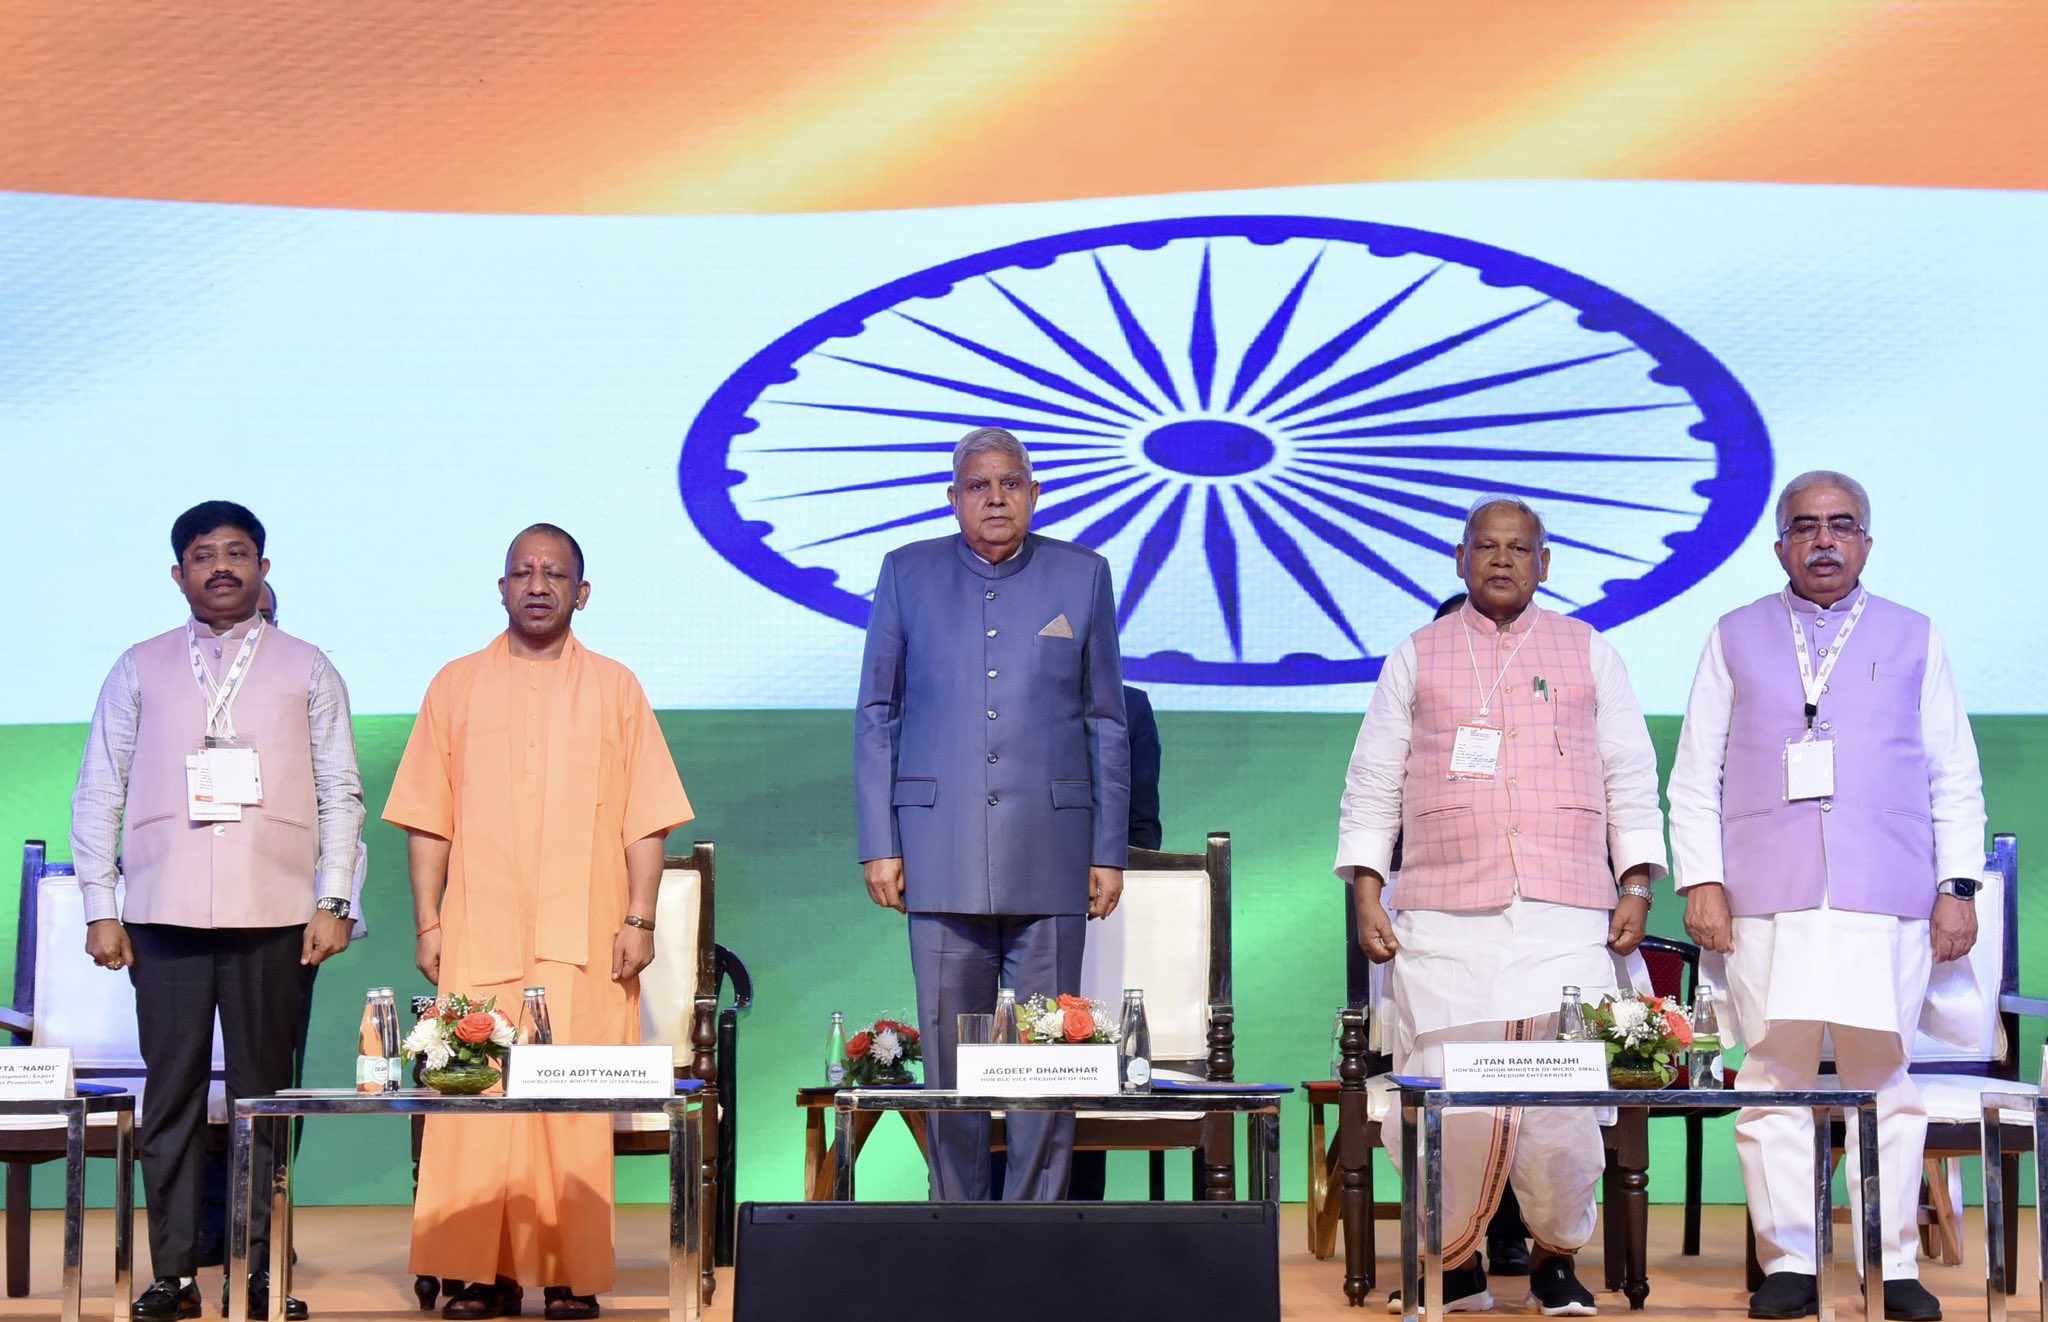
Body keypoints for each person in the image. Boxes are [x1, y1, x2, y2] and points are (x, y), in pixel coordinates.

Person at [1336, 497, 1664, 1316]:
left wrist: (1635, 881)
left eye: (1520, 549)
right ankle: (1454, 1263)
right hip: (1446, 919)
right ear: (1460, 559)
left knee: (1561, 1107)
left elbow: (1629, 773)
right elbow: (1374, 780)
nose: (1503, 560)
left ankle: (1557, 1256)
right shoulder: (1416, 655)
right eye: (1487, 547)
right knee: (1451, 1101)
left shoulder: (1591, 652)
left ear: (1545, 564)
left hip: (1566, 913)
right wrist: (1369, 887)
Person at [1668, 471, 1983, 1322]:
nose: (1823, 541)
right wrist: (1702, 879)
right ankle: (1791, 1264)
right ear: (1780, 544)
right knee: (1772, 1074)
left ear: (1867, 542)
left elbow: (1954, 773)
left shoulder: (1916, 634)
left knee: (1885, 1074)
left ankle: (1897, 1264)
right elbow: (1694, 774)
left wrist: (1956, 885)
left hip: (1887, 891)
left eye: (1842, 525)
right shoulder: (1734, 634)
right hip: (1767, 894)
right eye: (1804, 526)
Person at [385, 524, 693, 1321]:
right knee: (474, 1099)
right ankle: (479, 1275)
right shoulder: (454, 685)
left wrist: (640, 918)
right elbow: (428, 818)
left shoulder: (616, 688)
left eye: (555, 573)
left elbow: (646, 820)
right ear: (500, 587)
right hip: (479, 927)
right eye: (522, 571)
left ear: (581, 593)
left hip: (584, 934)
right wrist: (427, 922)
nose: (537, 584)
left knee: (570, 1102)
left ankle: (568, 1274)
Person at [71, 501, 363, 1321]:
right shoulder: (138, 666)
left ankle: (264, 1270)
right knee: (168, 1098)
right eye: (205, 555)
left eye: (240, 553)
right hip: (162, 913)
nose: (223, 567)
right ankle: (173, 1275)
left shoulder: (309, 666)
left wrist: (333, 897)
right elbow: (100, 790)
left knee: (265, 1099)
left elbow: (342, 791)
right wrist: (102, 903)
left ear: (265, 569)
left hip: (275, 913)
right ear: (179, 574)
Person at [855, 425, 1131, 1202]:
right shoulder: (907, 574)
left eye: (1011, 483)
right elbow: (878, 712)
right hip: (936, 851)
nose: (996, 498)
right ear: (954, 499)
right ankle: (957, 1229)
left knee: (1048, 1052)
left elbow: (1105, 720)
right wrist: (881, 840)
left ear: (1035, 492)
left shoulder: (1082, 575)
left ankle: (1036, 1232)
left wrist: (1107, 850)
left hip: (1052, 851)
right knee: (949, 1061)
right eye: (978, 486)